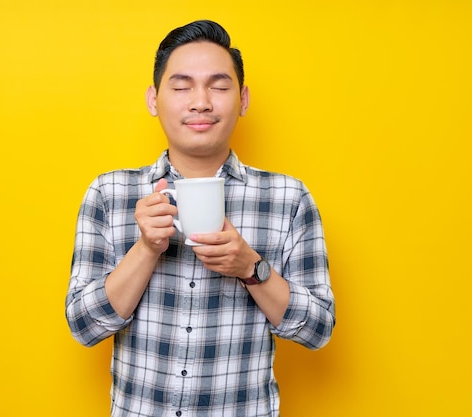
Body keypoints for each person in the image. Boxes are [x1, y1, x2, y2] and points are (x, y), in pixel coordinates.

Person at [65, 19, 335, 417]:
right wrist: (146, 248)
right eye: (181, 86)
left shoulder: (288, 197)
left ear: (242, 100)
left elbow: (318, 330)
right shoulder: (110, 193)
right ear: (154, 99)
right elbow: (84, 327)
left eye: (219, 86)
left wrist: (251, 267)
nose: (201, 102)